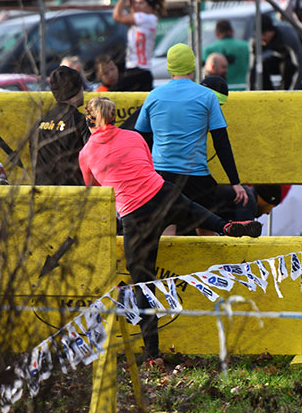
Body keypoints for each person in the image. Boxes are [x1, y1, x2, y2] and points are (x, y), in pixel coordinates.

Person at [79, 96, 261, 359]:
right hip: (163, 192)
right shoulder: (134, 137)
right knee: (193, 211)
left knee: (143, 285)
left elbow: (95, 191)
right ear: (114, 118)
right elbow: (147, 167)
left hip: (135, 215)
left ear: (89, 122)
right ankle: (226, 225)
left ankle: (152, 353)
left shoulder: (86, 153)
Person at [135, 44, 248, 228]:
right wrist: (235, 182)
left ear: (169, 67)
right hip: (196, 176)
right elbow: (221, 142)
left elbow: (139, 140)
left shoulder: (153, 97)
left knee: (168, 228)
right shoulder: (207, 96)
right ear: (192, 67)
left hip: (161, 176)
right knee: (206, 229)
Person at [31, 66, 90, 186]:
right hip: (71, 192)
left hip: (42, 191)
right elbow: (93, 157)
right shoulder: (81, 121)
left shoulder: (39, 123)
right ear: (78, 89)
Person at [112, 0, 163, 91]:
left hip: (138, 70)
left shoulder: (146, 18)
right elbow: (131, 13)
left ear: (150, 6)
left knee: (112, 93)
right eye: (135, 3)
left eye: (141, 3)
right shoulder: (147, 19)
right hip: (141, 71)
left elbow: (117, 16)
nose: (137, 6)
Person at [258, 12, 302, 90]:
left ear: (271, 31)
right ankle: (267, 93)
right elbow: (252, 67)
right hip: (279, 58)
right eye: (260, 35)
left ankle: (286, 92)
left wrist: (294, 89)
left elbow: (301, 64)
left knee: (287, 66)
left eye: (264, 34)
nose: (263, 38)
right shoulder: (259, 41)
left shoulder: (287, 35)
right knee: (261, 64)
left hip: (293, 59)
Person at [201, 20, 250, 90]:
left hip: (219, 91)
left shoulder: (208, 50)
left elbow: (204, 72)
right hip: (244, 89)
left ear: (217, 33)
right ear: (232, 31)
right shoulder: (247, 47)